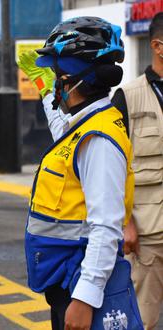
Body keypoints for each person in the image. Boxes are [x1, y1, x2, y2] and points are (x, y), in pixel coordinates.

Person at [18, 17, 143, 330]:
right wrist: (43, 89)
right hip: (68, 279)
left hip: (82, 284)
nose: (54, 83)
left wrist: (85, 298)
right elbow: (61, 130)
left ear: (73, 79)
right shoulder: (86, 123)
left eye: (56, 76)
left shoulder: (98, 139)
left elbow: (106, 225)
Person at [111, 13, 163, 330]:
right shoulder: (127, 98)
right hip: (148, 236)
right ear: (158, 46)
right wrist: (126, 223)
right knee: (141, 320)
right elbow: (112, 168)